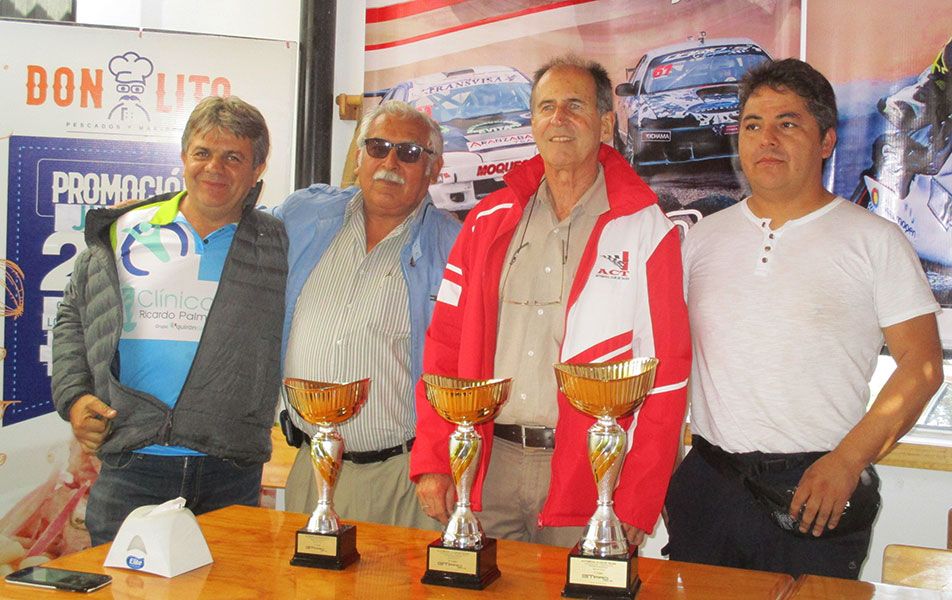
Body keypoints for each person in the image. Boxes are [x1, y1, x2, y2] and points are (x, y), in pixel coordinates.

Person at [666, 58, 943, 579]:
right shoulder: (700, 240)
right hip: (708, 485)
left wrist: (848, 463)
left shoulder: (874, 241)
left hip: (816, 490)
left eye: (787, 123)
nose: (766, 138)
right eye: (752, 125)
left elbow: (922, 366)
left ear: (826, 141)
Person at [410, 55, 691, 546]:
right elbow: (445, 347)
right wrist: (436, 457)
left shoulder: (646, 229)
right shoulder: (488, 221)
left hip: (590, 475)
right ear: (533, 122)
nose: (558, 119)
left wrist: (637, 499)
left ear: (606, 123)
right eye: (546, 107)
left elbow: (667, 378)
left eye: (574, 105)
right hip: (486, 466)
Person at [51, 96, 288, 546]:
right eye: (203, 152)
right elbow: (71, 317)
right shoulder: (125, 229)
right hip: (131, 460)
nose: (214, 167)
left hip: (230, 467)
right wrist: (75, 397)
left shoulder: (277, 243)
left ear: (257, 169)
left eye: (233, 157)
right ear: (184, 158)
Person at [279, 100, 460, 529]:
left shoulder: (455, 247)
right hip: (310, 468)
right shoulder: (303, 218)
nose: (389, 162)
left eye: (410, 152)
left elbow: (464, 365)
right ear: (359, 156)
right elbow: (231, 223)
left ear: (435, 169)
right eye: (377, 147)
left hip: (403, 480)